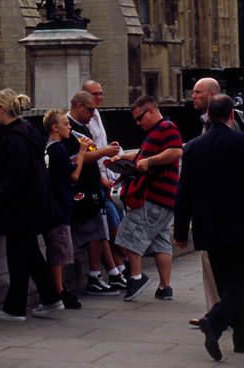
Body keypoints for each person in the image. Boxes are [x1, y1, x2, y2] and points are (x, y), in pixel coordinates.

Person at [174, 94, 244, 361]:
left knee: (225, 285)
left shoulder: (192, 147)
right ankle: (215, 321)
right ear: (232, 114)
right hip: (239, 224)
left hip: (207, 229)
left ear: (208, 116)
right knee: (241, 283)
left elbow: (183, 193)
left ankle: (242, 336)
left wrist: (179, 231)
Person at [0, 88, 63, 321]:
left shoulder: (15, 137)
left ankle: (16, 307)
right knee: (28, 254)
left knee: (19, 255)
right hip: (32, 204)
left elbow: (17, 176)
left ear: (2, 109)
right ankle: (49, 299)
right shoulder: (26, 129)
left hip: (21, 207)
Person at [112, 94, 182, 301]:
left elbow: (176, 151)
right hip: (165, 199)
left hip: (153, 196)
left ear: (151, 111)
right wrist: (123, 157)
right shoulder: (155, 132)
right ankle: (165, 287)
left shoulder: (166, 127)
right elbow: (143, 155)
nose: (138, 123)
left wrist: (150, 162)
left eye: (139, 118)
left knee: (130, 233)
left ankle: (136, 277)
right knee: (161, 242)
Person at [65, 91, 124, 293]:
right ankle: (96, 277)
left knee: (100, 232)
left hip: (93, 185)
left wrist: (102, 179)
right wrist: (105, 151)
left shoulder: (84, 127)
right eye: (90, 109)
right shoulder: (69, 127)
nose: (93, 113)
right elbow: (75, 161)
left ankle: (105, 275)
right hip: (80, 190)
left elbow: (89, 157)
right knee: (93, 232)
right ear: (79, 106)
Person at [82, 78, 127, 284]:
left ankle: (120, 270)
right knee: (110, 225)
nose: (99, 98)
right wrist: (101, 178)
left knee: (115, 222)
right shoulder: (82, 120)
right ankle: (126, 264)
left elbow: (99, 148)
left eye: (101, 94)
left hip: (108, 178)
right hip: (96, 181)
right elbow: (88, 156)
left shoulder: (96, 114)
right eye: (94, 94)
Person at [42, 108, 88, 308]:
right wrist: (82, 152)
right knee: (58, 251)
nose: (69, 127)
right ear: (55, 127)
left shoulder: (49, 147)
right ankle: (59, 291)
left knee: (57, 249)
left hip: (53, 205)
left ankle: (59, 289)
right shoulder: (58, 149)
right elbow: (74, 175)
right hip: (59, 206)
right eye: (65, 124)